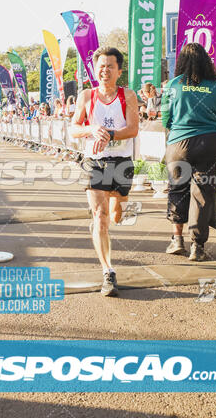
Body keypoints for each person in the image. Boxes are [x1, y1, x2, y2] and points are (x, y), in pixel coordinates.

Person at [71, 47, 139, 297]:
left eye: (110, 66)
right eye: (101, 65)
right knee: (100, 216)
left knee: (116, 214)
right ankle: (108, 271)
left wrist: (109, 134)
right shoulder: (86, 96)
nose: (105, 70)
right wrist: (92, 130)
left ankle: (119, 204)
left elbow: (132, 129)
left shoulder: (128, 95)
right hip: (94, 161)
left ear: (119, 71)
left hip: (121, 162)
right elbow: (74, 128)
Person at [161, 43, 216, 261]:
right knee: (203, 193)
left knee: (177, 188)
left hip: (178, 143)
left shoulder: (173, 85)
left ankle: (177, 240)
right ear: (207, 61)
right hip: (210, 143)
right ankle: (197, 247)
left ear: (181, 61)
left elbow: (165, 118)